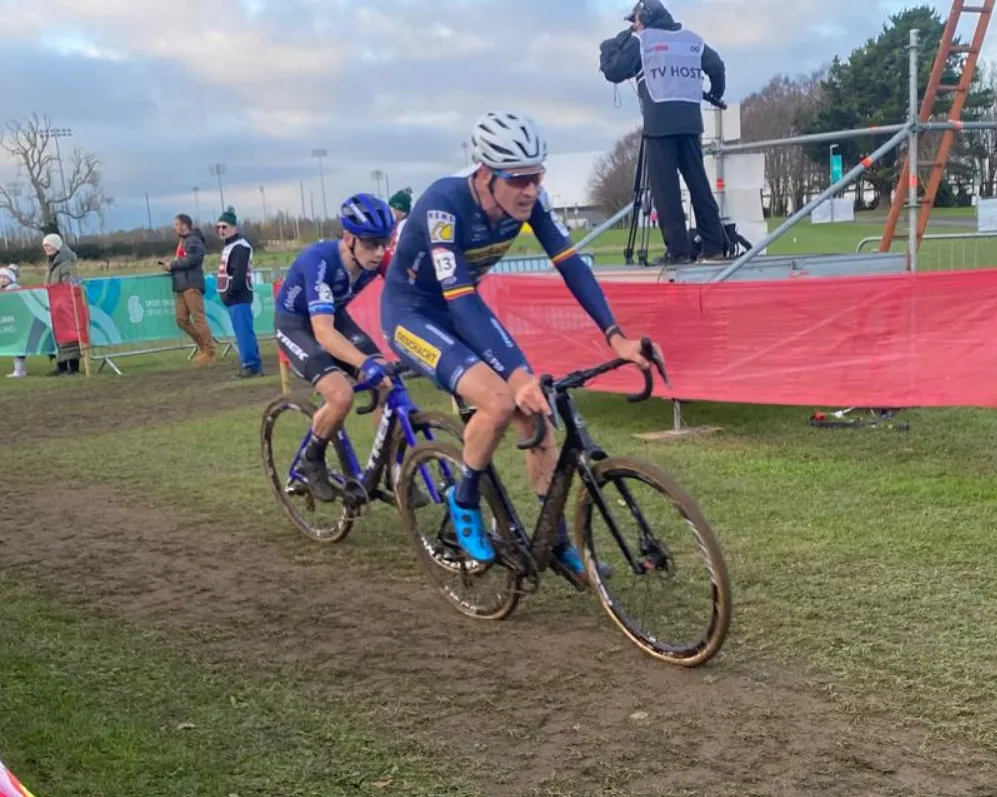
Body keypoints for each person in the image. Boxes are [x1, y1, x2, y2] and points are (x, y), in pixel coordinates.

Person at [379, 110, 650, 578]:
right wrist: (517, 374)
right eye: (519, 179)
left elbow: (571, 265)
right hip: (414, 315)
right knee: (502, 400)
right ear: (485, 175)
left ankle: (552, 539)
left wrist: (617, 336)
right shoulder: (443, 205)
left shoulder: (529, 203)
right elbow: (460, 299)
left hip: (461, 309)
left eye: (537, 177)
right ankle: (464, 500)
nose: (530, 190)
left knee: (538, 416)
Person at [274, 193, 397, 501]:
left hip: (335, 318)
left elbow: (409, 289)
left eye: (384, 243)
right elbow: (324, 334)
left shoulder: (378, 257)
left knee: (387, 383)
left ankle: (393, 468)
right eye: (371, 244)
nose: (379, 252)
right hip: (296, 325)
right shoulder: (319, 261)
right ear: (348, 238)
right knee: (340, 395)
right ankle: (311, 459)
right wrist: (363, 364)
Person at [600, 0, 727, 264]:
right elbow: (717, 68)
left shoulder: (642, 41)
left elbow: (613, 70)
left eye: (634, 20)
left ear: (645, 18)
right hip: (691, 122)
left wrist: (613, 44)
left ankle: (679, 252)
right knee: (698, 184)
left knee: (666, 191)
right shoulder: (692, 40)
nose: (633, 26)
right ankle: (714, 246)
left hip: (659, 124)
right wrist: (716, 94)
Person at [158, 214, 215, 365]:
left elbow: (193, 259)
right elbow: (185, 260)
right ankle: (204, 346)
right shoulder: (184, 241)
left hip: (191, 285)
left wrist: (173, 265)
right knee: (181, 319)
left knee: (199, 319)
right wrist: (170, 265)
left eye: (176, 224)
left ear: (184, 225)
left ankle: (209, 352)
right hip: (182, 286)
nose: (174, 227)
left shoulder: (193, 240)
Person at [214, 207, 262, 378]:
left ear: (234, 227)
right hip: (234, 297)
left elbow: (238, 274)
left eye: (224, 227)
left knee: (244, 332)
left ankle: (251, 365)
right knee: (243, 331)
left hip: (239, 297)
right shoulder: (231, 246)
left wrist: (229, 293)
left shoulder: (240, 247)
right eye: (218, 227)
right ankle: (252, 364)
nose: (221, 230)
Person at [42, 233, 82, 376]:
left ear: (56, 245)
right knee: (56, 337)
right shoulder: (50, 265)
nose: (46, 247)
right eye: (44, 245)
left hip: (65, 305)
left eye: (49, 244)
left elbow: (69, 284)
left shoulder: (67, 265)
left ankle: (73, 367)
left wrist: (61, 299)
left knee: (69, 337)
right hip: (52, 305)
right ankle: (61, 367)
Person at [0, 264, 26, 378]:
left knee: (18, 346)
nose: (2, 280)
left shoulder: (14, 289)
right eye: (1, 277)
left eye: (5, 277)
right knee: (14, 345)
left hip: (16, 321)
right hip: (7, 320)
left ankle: (20, 370)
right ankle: (18, 370)